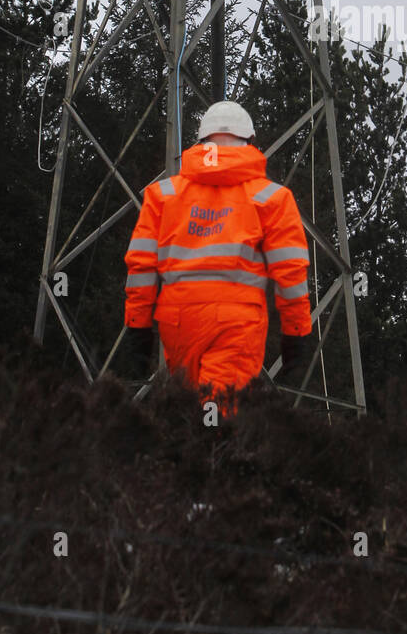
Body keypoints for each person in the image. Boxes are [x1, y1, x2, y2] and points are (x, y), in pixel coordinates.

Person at [122, 100, 314, 406]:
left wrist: (137, 327)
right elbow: (290, 273)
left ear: (201, 142)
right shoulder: (273, 198)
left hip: (178, 322)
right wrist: (296, 332)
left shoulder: (162, 195)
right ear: (249, 143)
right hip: (235, 325)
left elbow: (140, 267)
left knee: (187, 413)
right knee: (220, 420)